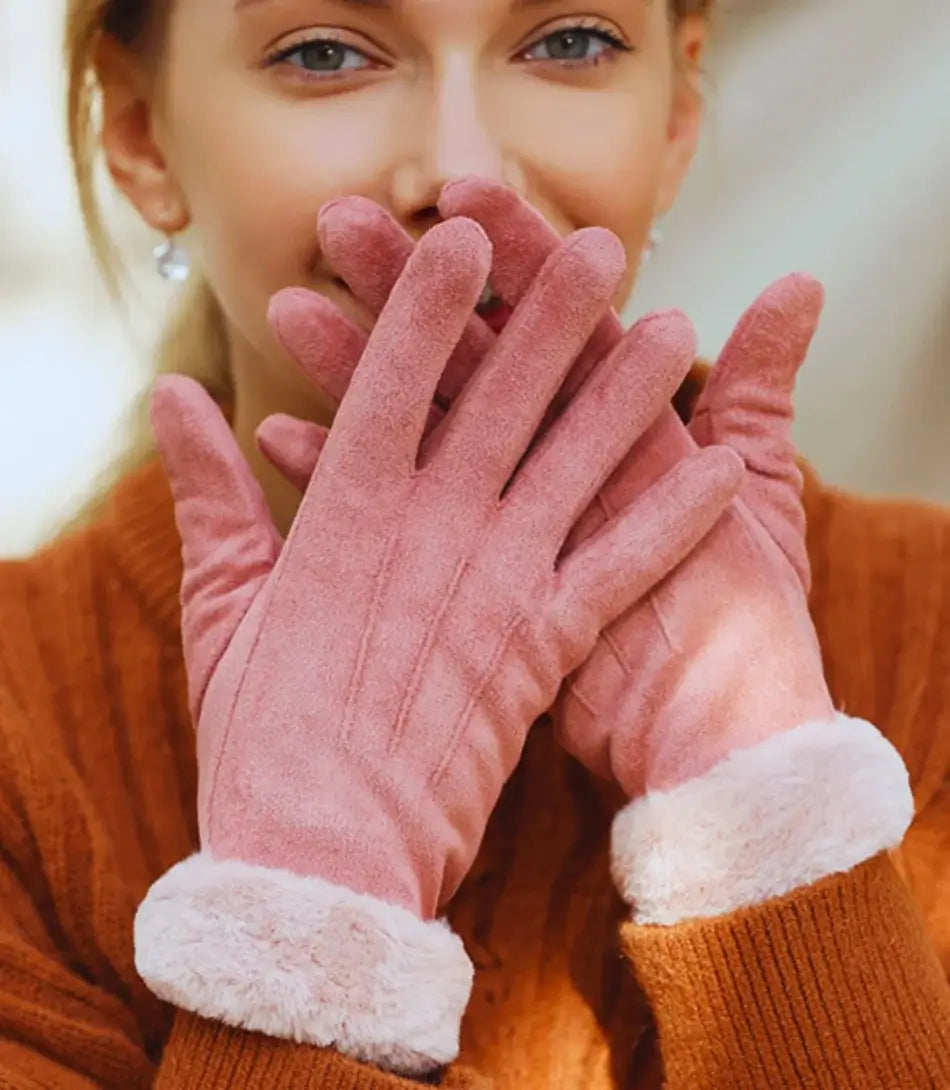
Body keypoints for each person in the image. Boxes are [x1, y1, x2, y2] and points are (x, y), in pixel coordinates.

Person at [1, 2, 948, 1089]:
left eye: (569, 41)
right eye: (322, 53)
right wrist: (307, 915)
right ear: (139, 134)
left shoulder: (930, 631)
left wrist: (766, 813)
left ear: (679, 110)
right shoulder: (18, 732)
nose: (457, 176)